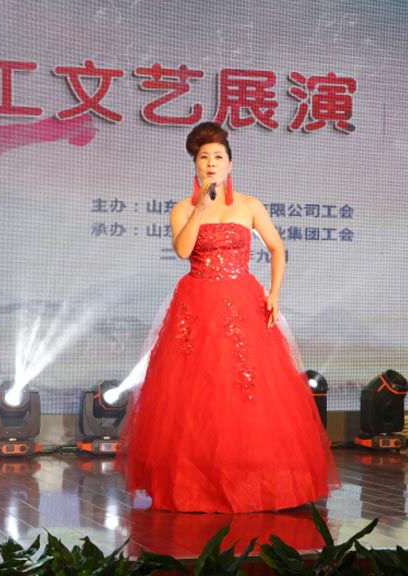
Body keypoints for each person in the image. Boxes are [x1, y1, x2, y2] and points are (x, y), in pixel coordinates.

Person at [117, 122, 339, 513]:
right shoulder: (183, 209)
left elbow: (277, 248)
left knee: (247, 390)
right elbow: (183, 251)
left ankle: (256, 480)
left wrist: (274, 293)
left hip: (243, 303)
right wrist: (201, 207)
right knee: (194, 395)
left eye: (218, 156)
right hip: (197, 303)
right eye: (204, 157)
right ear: (195, 165)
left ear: (230, 164)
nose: (211, 163)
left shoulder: (249, 205)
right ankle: (197, 484)